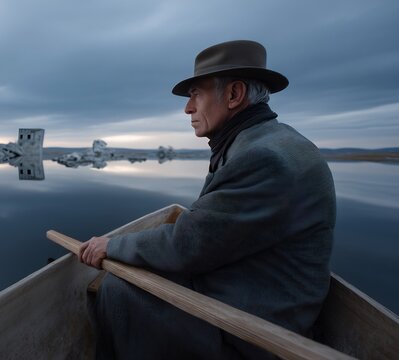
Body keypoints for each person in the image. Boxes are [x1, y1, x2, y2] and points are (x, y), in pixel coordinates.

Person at [79, 40, 336, 359]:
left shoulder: (261, 157)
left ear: (233, 95)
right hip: (257, 297)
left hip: (258, 332)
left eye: (195, 95)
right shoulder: (271, 141)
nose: (188, 109)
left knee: (117, 290)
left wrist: (111, 245)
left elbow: (187, 245)